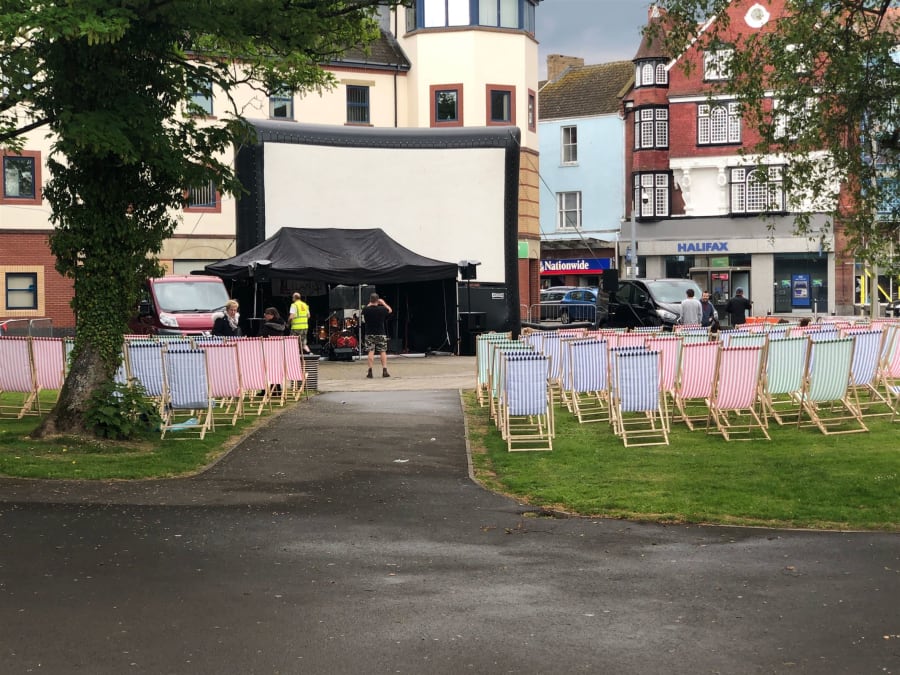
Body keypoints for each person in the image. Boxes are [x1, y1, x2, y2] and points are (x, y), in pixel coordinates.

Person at [361, 292, 392, 378]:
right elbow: (390, 310)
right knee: (382, 351)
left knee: (371, 351)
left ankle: (370, 371)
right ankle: (384, 370)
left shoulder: (366, 309)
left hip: (369, 333)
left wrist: (370, 303)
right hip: (381, 333)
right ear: (377, 300)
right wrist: (383, 303)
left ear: (370, 300)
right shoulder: (382, 309)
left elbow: (365, 309)